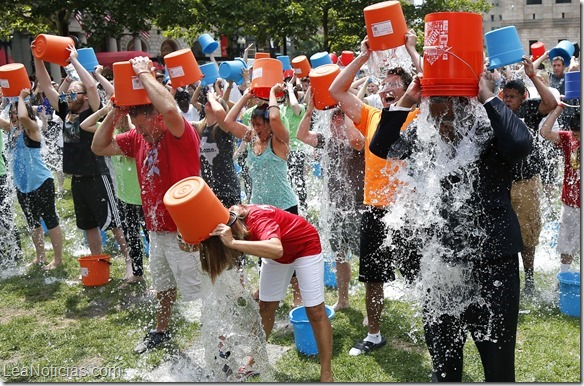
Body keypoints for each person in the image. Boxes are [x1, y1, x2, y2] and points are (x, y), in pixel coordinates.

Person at [369, 68, 533, 382]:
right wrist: (407, 99)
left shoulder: (490, 133)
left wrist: (486, 94)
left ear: (465, 107)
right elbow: (382, 147)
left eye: (446, 118)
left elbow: (519, 144)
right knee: (444, 370)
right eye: (434, 116)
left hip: (493, 267)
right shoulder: (425, 135)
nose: (441, 126)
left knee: (499, 371)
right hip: (441, 268)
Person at [91, 56, 203, 353]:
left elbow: (169, 107)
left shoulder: (181, 133)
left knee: (199, 291)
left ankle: (217, 340)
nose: (139, 134)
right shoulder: (139, 139)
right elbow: (99, 146)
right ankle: (161, 329)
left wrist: (143, 72)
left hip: (185, 231)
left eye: (142, 127)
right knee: (164, 285)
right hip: (156, 228)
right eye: (136, 129)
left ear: (156, 117)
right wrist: (116, 111)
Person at [329, 35, 420, 356]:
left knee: (420, 272)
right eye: (385, 82)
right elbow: (336, 91)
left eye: (395, 83)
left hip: (411, 210)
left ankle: (434, 325)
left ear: (409, 89)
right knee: (373, 276)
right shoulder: (371, 115)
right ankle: (374, 333)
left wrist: (411, 49)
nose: (386, 87)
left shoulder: (416, 113)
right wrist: (362, 55)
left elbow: (431, 85)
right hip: (376, 208)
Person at [192, 204, 333, 382]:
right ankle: (254, 361)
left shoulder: (258, 219)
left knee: (315, 311)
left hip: (305, 247)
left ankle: (326, 373)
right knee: (265, 308)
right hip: (277, 256)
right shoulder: (226, 220)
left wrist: (233, 243)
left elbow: (276, 248)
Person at [31, 42, 128, 259]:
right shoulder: (67, 111)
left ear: (84, 96)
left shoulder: (93, 109)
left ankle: (132, 262)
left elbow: (92, 86)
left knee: (113, 223)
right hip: (77, 177)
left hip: (97, 174)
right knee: (88, 225)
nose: (68, 96)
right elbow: (46, 85)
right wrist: (38, 58)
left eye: (74, 93)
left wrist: (74, 59)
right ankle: (97, 261)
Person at [224, 84, 303, 306]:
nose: (256, 128)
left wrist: (271, 94)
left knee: (289, 253)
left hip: (284, 207)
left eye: (260, 124)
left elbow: (277, 117)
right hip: (259, 208)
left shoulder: (280, 141)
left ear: (269, 124)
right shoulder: (251, 140)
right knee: (263, 253)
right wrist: (246, 96)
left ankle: (298, 296)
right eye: (254, 124)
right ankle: (267, 291)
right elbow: (229, 122)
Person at [296, 89, 365, 310]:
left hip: (358, 207)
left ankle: (367, 307)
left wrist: (346, 110)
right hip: (336, 207)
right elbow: (302, 136)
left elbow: (356, 139)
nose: (337, 125)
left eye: (340, 120)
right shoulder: (326, 141)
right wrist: (308, 110)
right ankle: (343, 299)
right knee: (340, 255)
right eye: (334, 121)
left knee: (365, 258)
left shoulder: (358, 140)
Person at [501, 59, 558, 296]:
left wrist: (532, 75)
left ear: (523, 96)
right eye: (506, 95)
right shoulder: (497, 110)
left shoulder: (530, 109)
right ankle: (508, 279)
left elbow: (552, 103)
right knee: (504, 232)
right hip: (503, 183)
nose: (508, 100)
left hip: (527, 182)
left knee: (528, 233)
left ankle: (530, 279)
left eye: (513, 96)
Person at [81, 102, 147, 285]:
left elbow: (133, 127)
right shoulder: (112, 137)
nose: (113, 123)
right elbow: (84, 125)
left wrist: (123, 109)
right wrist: (106, 111)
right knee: (131, 237)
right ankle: (138, 273)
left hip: (141, 197)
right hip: (124, 196)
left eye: (116, 119)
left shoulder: (134, 136)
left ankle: (160, 277)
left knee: (149, 236)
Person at [0, 89, 64, 270]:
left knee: (50, 219)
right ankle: (40, 256)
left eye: (15, 112)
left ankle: (58, 259)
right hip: (23, 186)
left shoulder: (32, 129)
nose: (13, 116)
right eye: (11, 113)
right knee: (32, 222)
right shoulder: (11, 132)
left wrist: (20, 97)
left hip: (41, 182)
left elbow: (22, 118)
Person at [539, 103, 580, 273]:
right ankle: (564, 276)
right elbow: (545, 132)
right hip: (570, 203)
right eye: (575, 135)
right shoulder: (567, 138)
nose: (577, 139)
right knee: (566, 245)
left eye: (580, 135)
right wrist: (559, 108)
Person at [195, 90, 241, 207]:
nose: (209, 103)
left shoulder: (223, 128)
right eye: (209, 102)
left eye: (216, 102)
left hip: (227, 190)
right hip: (210, 191)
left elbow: (219, 112)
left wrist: (211, 98)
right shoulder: (201, 128)